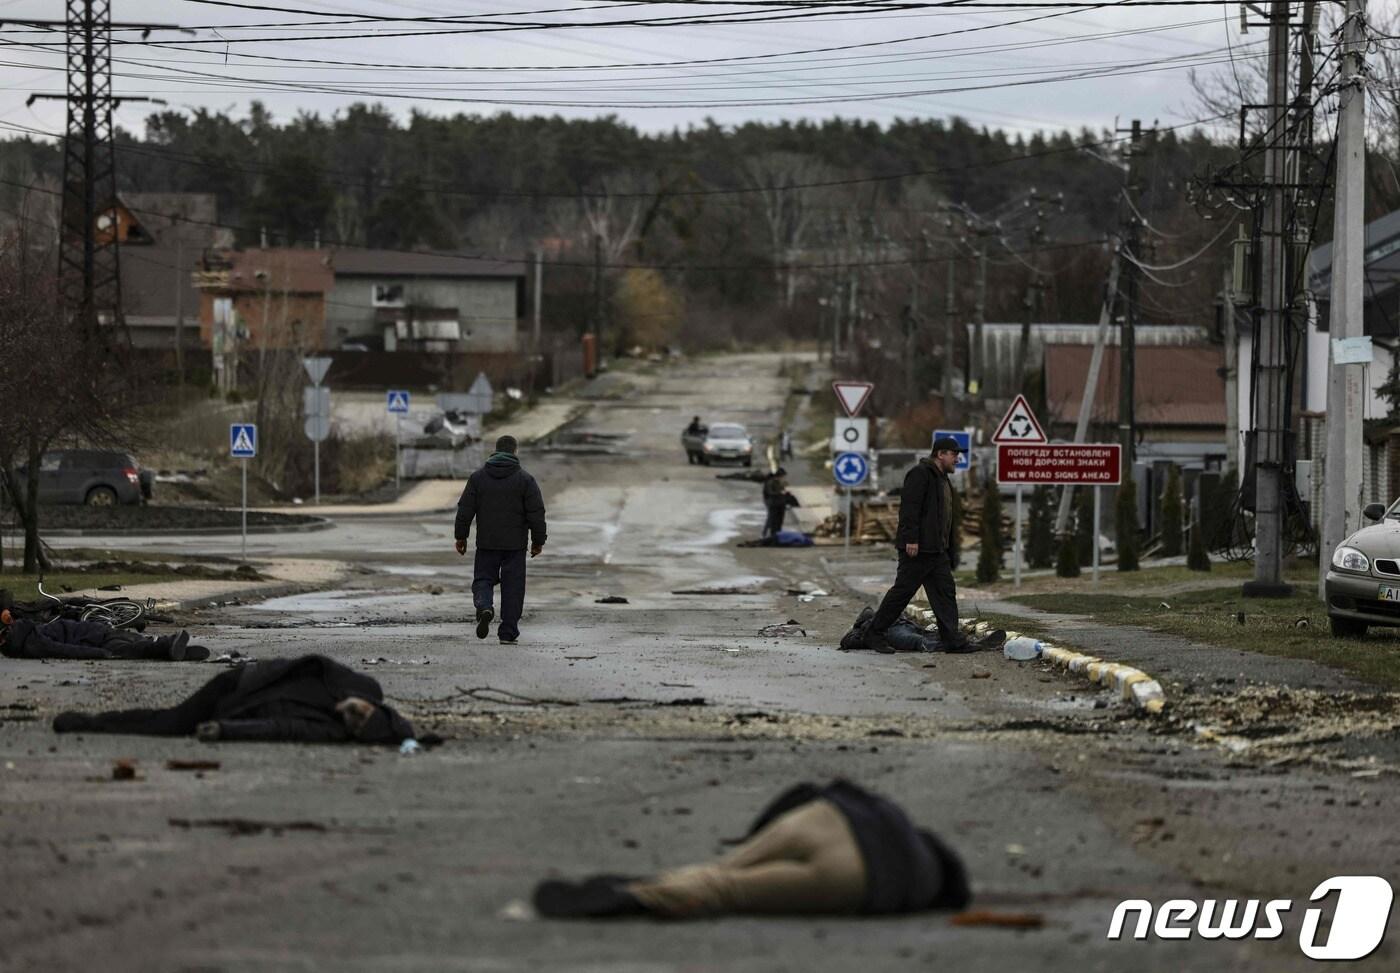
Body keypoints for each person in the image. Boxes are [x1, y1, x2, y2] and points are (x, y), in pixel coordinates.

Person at [532, 779, 970, 918]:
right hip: (855, 874)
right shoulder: (923, 882)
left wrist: (755, 836)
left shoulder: (895, 817)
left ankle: (674, 878)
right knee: (729, 891)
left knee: (725, 868)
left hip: (823, 816)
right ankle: (639, 896)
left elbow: (807, 791)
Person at [51, 654, 421, 744]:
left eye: (353, 724)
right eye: (359, 713)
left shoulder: (333, 730)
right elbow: (310, 662)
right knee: (171, 723)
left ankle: (88, 723)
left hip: (237, 705)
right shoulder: (359, 684)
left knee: (170, 723)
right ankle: (86, 723)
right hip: (240, 684)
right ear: (370, 705)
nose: (349, 716)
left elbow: (279, 728)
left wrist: (225, 730)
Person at [863, 436, 970, 654]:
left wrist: (950, 549)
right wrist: (911, 539)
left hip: (936, 550)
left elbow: (944, 518)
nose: (957, 459)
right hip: (919, 549)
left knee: (945, 592)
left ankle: (952, 640)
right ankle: (873, 633)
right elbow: (910, 509)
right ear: (940, 454)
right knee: (902, 593)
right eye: (954, 454)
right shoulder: (920, 474)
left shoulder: (942, 479)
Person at [454, 434, 547, 645]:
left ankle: (485, 606)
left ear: (495, 451)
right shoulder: (525, 480)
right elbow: (536, 513)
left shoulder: (478, 478)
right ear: (515, 452)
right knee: (513, 587)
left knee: (483, 579)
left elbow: (465, 510)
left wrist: (461, 536)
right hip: (515, 545)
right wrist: (538, 541)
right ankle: (508, 631)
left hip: (487, 543)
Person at [0, 610, 204, 661]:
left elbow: (66, 650)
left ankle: (168, 646)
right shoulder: (28, 628)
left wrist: (98, 653)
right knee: (136, 641)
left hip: (96, 640)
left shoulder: (29, 643)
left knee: (131, 650)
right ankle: (174, 649)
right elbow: (64, 645)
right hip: (96, 630)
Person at [761, 467, 791, 540]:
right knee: (772, 518)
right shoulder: (770, 482)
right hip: (772, 503)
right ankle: (766, 533)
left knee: (779, 519)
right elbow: (770, 492)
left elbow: (783, 489)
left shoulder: (779, 482)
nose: (784, 478)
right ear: (779, 476)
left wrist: (785, 491)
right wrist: (780, 493)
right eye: (783, 476)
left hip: (780, 502)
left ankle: (777, 533)